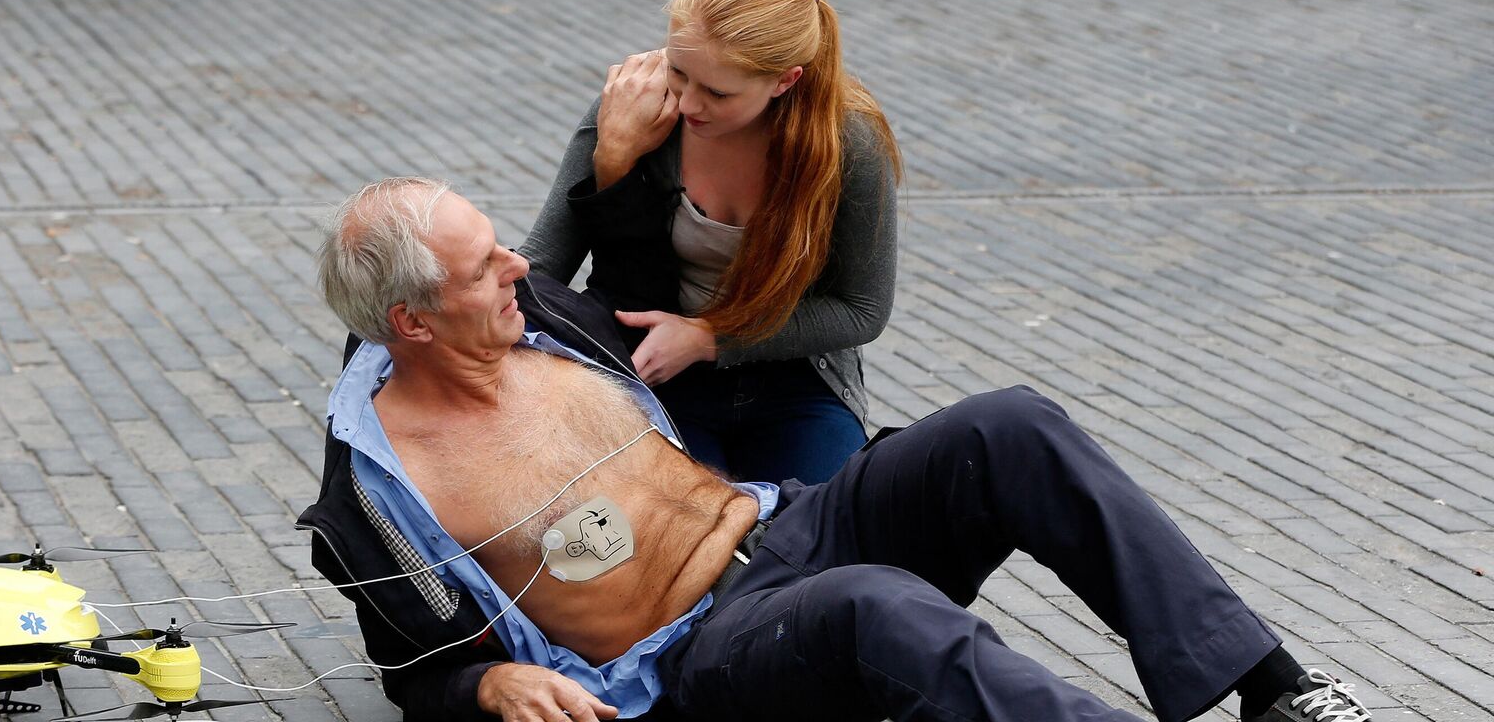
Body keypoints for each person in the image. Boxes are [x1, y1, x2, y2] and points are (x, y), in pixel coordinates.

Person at [301, 177, 1375, 722]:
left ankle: (1273, 690)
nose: (518, 261)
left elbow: (625, 246)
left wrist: (617, 157)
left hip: (785, 522)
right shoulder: (383, 494)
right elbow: (416, 674)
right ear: (412, 325)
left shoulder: (544, 320)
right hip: (703, 654)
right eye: (483, 265)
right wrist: (487, 693)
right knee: (877, 605)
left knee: (1009, 425)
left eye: (502, 243)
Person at [519, 0, 899, 484]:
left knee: (821, 535)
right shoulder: (635, 107)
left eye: (717, 92)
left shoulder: (847, 143)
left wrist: (708, 337)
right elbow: (540, 269)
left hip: (797, 379)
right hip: (659, 374)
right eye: (678, 70)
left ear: (784, 82)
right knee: (675, 541)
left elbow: (861, 311)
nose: (687, 102)